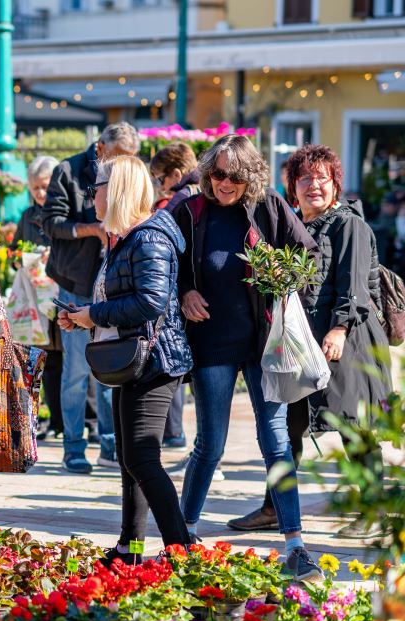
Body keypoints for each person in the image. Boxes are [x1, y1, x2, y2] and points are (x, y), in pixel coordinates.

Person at [174, 134, 321, 581]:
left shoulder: (270, 207)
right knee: (210, 445)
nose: (224, 184)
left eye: (234, 177)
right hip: (211, 344)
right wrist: (184, 293)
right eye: (216, 174)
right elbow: (171, 265)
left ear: (250, 176)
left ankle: (294, 543)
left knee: (276, 442)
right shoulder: (189, 212)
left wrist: (284, 276)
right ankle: (183, 536)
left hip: (264, 346)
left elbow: (310, 254)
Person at [228, 144, 391, 539]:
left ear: (335, 184)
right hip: (302, 341)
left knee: (355, 428)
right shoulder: (295, 226)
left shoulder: (349, 224)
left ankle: (373, 511)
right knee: (289, 426)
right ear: (293, 187)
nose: (313, 185)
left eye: (322, 178)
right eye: (305, 179)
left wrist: (339, 329)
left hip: (348, 341)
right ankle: (274, 507)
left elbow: (353, 286)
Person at [59, 155, 192, 560]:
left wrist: (92, 314)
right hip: (132, 358)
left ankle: (183, 549)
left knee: (141, 458)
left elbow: (151, 301)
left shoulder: (148, 237)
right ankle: (129, 547)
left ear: (114, 191)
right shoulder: (128, 237)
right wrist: (82, 319)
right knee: (131, 459)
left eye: (95, 188)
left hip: (153, 362)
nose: (91, 197)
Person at [42, 122, 140, 473]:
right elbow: (50, 223)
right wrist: (93, 229)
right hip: (76, 280)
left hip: (112, 283)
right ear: (100, 149)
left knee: (110, 364)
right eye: (117, 159)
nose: (122, 169)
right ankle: (73, 447)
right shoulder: (67, 171)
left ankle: (110, 445)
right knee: (76, 369)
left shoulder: (127, 173)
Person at [149, 142, 202, 452]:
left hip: (190, 296)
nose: (159, 185)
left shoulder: (182, 198)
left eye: (159, 178)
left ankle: (194, 444)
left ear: (177, 174)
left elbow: (159, 236)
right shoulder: (204, 191)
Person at [13, 155, 64, 439]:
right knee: (46, 361)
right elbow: (13, 253)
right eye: (35, 189)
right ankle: (52, 420)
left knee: (70, 360)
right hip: (37, 299)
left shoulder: (67, 212)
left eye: (45, 187)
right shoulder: (28, 217)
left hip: (62, 295)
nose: (41, 194)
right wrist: (26, 258)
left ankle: (82, 420)